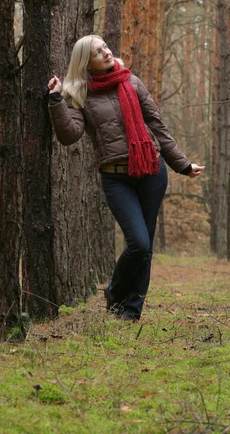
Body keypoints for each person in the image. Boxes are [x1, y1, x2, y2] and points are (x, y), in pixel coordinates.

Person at [47, 35, 204, 322]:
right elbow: (69, 135)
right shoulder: (79, 93)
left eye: (105, 47)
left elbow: (157, 125)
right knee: (139, 243)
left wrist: (182, 164)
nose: (106, 53)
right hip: (116, 178)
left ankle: (131, 312)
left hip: (152, 172)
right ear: (86, 61)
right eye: (97, 51)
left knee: (146, 248)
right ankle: (115, 292)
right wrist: (57, 100)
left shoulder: (131, 82)